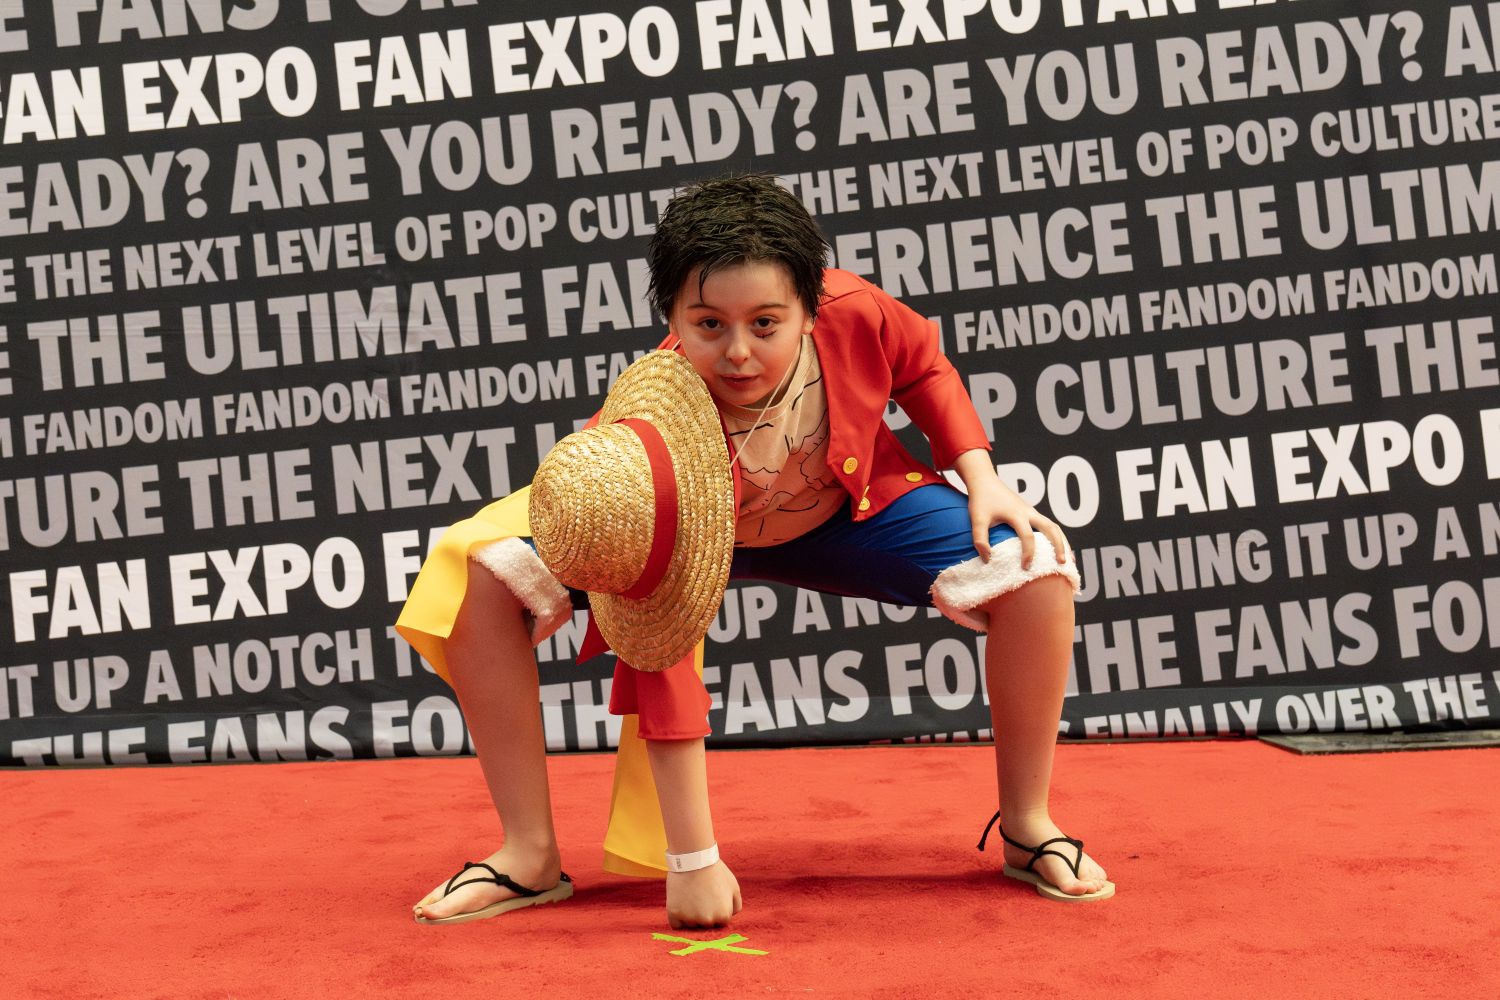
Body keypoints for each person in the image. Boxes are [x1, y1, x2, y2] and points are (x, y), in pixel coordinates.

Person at [398, 174, 1112, 928]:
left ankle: (1028, 825)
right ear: (671, 317)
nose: (738, 352)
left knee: (1033, 570)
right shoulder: (645, 444)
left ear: (811, 307)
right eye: (708, 324)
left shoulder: (856, 308)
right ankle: (529, 853)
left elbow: (923, 367)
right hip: (685, 527)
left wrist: (980, 475)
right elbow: (658, 649)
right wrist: (693, 861)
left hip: (849, 516)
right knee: (481, 577)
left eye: (766, 323)